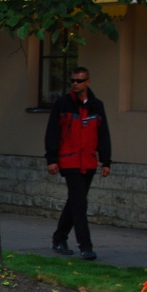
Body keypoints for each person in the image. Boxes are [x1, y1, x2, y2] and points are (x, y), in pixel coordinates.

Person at [45, 66, 111, 261]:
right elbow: (53, 132)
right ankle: (85, 246)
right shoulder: (62, 104)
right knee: (79, 203)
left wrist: (106, 161)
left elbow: (103, 134)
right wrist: (52, 159)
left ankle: (59, 238)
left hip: (88, 161)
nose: (75, 83)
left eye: (79, 80)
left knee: (75, 202)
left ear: (87, 82)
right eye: (72, 80)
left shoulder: (96, 106)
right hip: (69, 160)